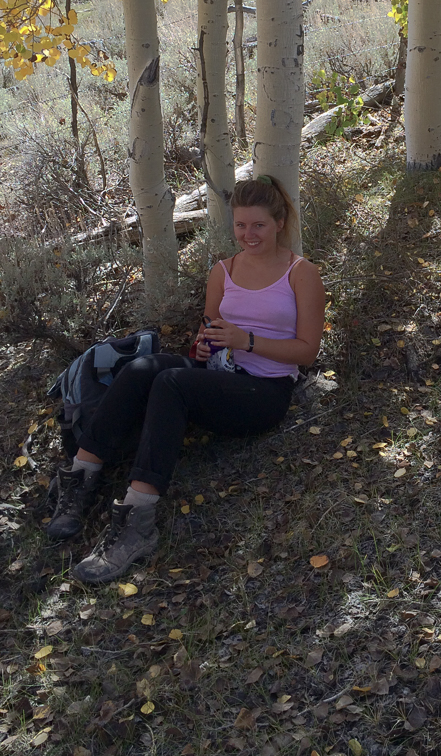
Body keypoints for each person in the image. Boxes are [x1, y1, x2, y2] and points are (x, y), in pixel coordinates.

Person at [46, 175, 325, 584]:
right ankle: (80, 477)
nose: (248, 234)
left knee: (172, 383)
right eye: (240, 225)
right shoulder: (223, 271)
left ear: (279, 223)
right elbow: (210, 330)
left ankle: (138, 520)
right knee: (144, 368)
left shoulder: (301, 274)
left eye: (259, 225)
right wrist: (204, 346)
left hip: (263, 391)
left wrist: (246, 340)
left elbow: (307, 350)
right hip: (219, 374)